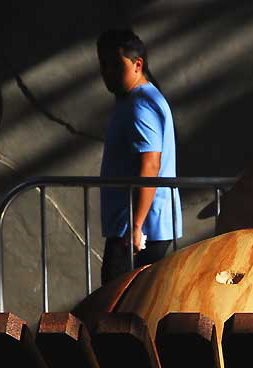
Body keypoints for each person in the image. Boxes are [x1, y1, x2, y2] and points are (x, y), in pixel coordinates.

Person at [97, 29, 182, 285]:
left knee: (115, 311)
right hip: (137, 227)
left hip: (140, 231)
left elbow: (150, 162)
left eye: (115, 64)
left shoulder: (141, 104)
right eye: (103, 65)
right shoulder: (133, 100)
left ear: (137, 65)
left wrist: (136, 227)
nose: (107, 72)